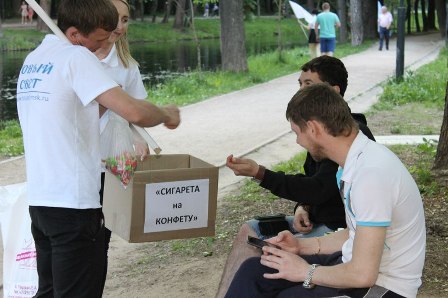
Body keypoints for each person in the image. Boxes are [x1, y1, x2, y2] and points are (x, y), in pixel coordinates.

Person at [16, 0, 180, 297]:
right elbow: (134, 111)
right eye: (100, 40)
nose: (101, 48)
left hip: (42, 204)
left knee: (50, 291)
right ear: (76, 34)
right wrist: (167, 114)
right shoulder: (76, 58)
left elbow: (75, 113)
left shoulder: (35, 59)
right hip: (73, 205)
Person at [225, 83, 426, 298]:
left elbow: (362, 275)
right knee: (254, 271)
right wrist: (301, 246)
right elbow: (357, 234)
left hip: (384, 287)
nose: (298, 141)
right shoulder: (353, 162)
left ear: (313, 128)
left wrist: (305, 272)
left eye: (297, 133)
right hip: (354, 267)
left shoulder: (370, 175)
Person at [215, 56, 376, 298]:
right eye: (299, 84)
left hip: (334, 231)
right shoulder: (322, 136)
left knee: (265, 265)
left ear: (333, 93)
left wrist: (260, 173)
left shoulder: (347, 140)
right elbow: (316, 185)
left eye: (309, 85)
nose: (301, 92)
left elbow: (318, 188)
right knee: (249, 231)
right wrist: (303, 207)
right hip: (319, 224)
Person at [94, 0, 149, 294]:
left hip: (111, 165)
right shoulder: (78, 58)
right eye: (113, 18)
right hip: (79, 163)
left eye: (125, 20)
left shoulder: (127, 66)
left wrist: (138, 138)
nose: (119, 26)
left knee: (101, 237)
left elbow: (136, 114)